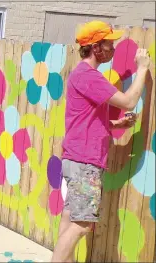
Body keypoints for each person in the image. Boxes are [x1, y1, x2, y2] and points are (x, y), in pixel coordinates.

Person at [51, 20, 151, 262]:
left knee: (71, 218)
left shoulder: (81, 75)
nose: (113, 49)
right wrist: (142, 69)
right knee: (83, 225)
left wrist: (117, 125)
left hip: (76, 158)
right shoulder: (88, 76)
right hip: (86, 162)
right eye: (110, 44)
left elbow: (84, 119)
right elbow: (128, 101)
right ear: (96, 48)